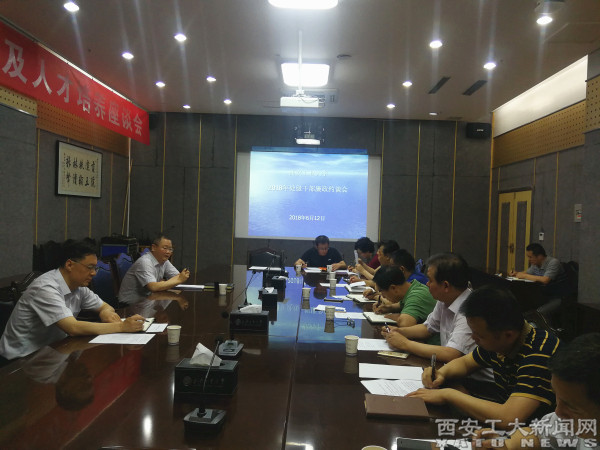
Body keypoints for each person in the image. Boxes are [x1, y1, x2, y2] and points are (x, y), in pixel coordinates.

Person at [408, 285, 562, 428]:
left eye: (479, 335)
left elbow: (509, 418)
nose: (473, 338)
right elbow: (465, 363)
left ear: (508, 335)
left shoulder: (539, 353)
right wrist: (441, 373)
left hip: (538, 434)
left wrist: (448, 395)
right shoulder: (499, 340)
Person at [0, 240, 144, 362]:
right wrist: (121, 327)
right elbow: (73, 328)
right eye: (90, 267)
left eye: (95, 268)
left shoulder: (78, 287)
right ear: (69, 265)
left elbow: (105, 306)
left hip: (53, 351)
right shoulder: (46, 288)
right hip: (20, 360)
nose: (94, 273)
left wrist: (105, 312)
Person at [473, 332, 600, 449]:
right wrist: (507, 444)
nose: (558, 412)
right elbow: (540, 434)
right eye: (557, 396)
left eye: (572, 407)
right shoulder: (572, 417)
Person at [382, 253, 481, 363]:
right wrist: (399, 331)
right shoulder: (444, 299)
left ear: (446, 286)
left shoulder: (470, 309)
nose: (427, 284)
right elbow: (428, 328)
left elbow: (452, 354)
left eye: (430, 280)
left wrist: (405, 344)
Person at [118, 234, 190, 303]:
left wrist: (164, 283)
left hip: (149, 299)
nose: (168, 252)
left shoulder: (164, 261)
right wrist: (178, 280)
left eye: (170, 249)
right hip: (130, 304)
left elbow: (178, 276)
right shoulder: (145, 262)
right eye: (165, 248)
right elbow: (153, 287)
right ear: (154, 248)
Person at [372, 265, 437, 327]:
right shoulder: (412, 287)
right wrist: (387, 308)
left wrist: (396, 316)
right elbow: (399, 306)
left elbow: (405, 324)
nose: (383, 296)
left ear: (393, 288)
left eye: (382, 291)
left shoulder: (416, 296)